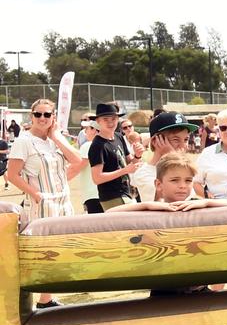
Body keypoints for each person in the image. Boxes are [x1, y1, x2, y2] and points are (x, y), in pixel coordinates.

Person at [4, 99, 87, 308]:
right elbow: (12, 175)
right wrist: (36, 193)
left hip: (63, 202)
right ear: (31, 116)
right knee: (42, 253)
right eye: (38, 114)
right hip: (41, 205)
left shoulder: (55, 140)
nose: (42, 118)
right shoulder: (24, 141)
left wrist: (57, 137)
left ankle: (45, 298)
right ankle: (32, 299)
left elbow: (78, 161)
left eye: (47, 115)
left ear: (54, 117)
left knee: (60, 250)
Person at [111, 152, 227, 213]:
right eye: (175, 180)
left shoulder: (195, 203)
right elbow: (111, 213)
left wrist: (206, 202)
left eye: (188, 180)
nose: (182, 186)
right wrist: (147, 206)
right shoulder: (154, 208)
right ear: (158, 184)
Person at [134, 112, 202, 202]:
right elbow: (160, 201)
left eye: (186, 139)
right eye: (175, 140)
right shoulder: (144, 173)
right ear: (156, 141)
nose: (183, 146)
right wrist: (171, 155)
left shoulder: (185, 168)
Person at [88, 103, 141, 210]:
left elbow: (130, 162)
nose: (110, 122)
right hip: (111, 197)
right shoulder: (97, 145)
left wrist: (138, 155)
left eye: (113, 118)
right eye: (105, 119)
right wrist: (124, 171)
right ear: (98, 121)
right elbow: (97, 178)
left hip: (126, 192)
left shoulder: (119, 137)